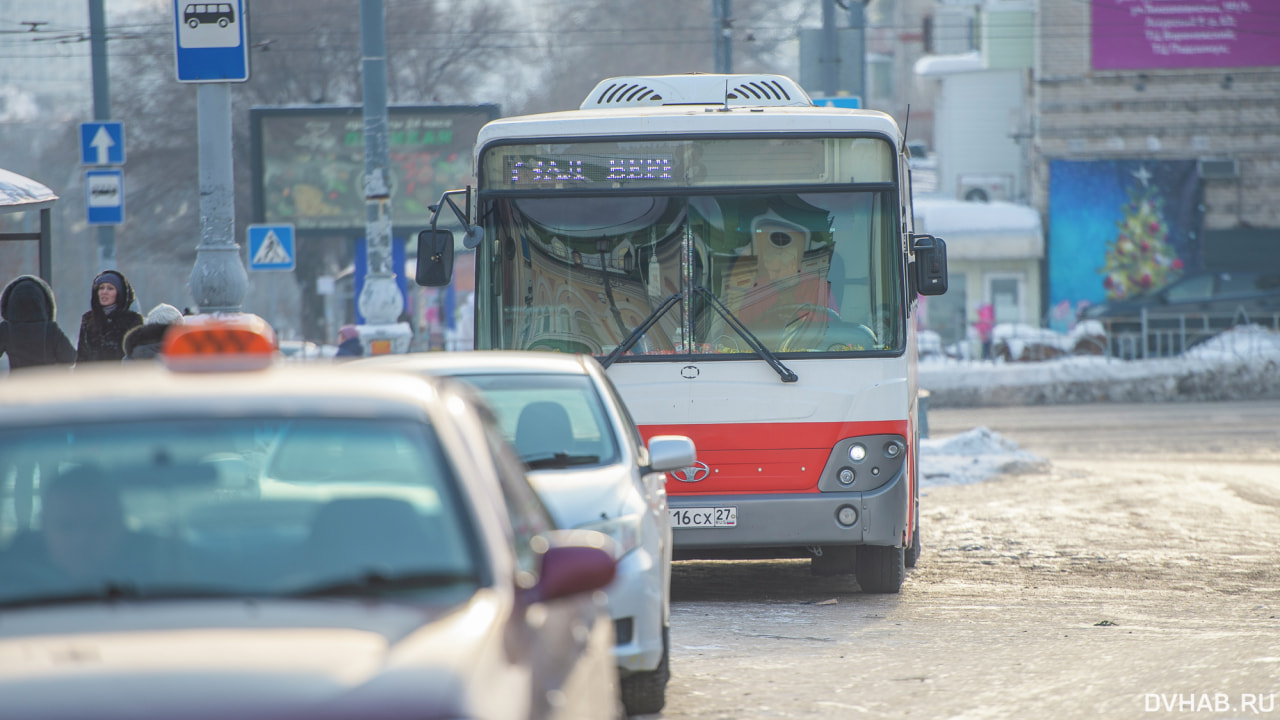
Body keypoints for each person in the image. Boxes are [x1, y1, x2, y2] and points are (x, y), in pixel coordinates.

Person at [0, 274, 76, 371]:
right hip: (46, 384)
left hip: (17, 384)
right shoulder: (50, 329)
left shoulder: (6, 330)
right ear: (44, 303)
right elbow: (70, 358)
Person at [76, 270, 144, 363]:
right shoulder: (88, 319)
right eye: (101, 288)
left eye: (110, 288)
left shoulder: (133, 321)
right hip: (91, 376)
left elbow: (136, 358)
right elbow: (81, 358)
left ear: (119, 293)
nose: (104, 292)